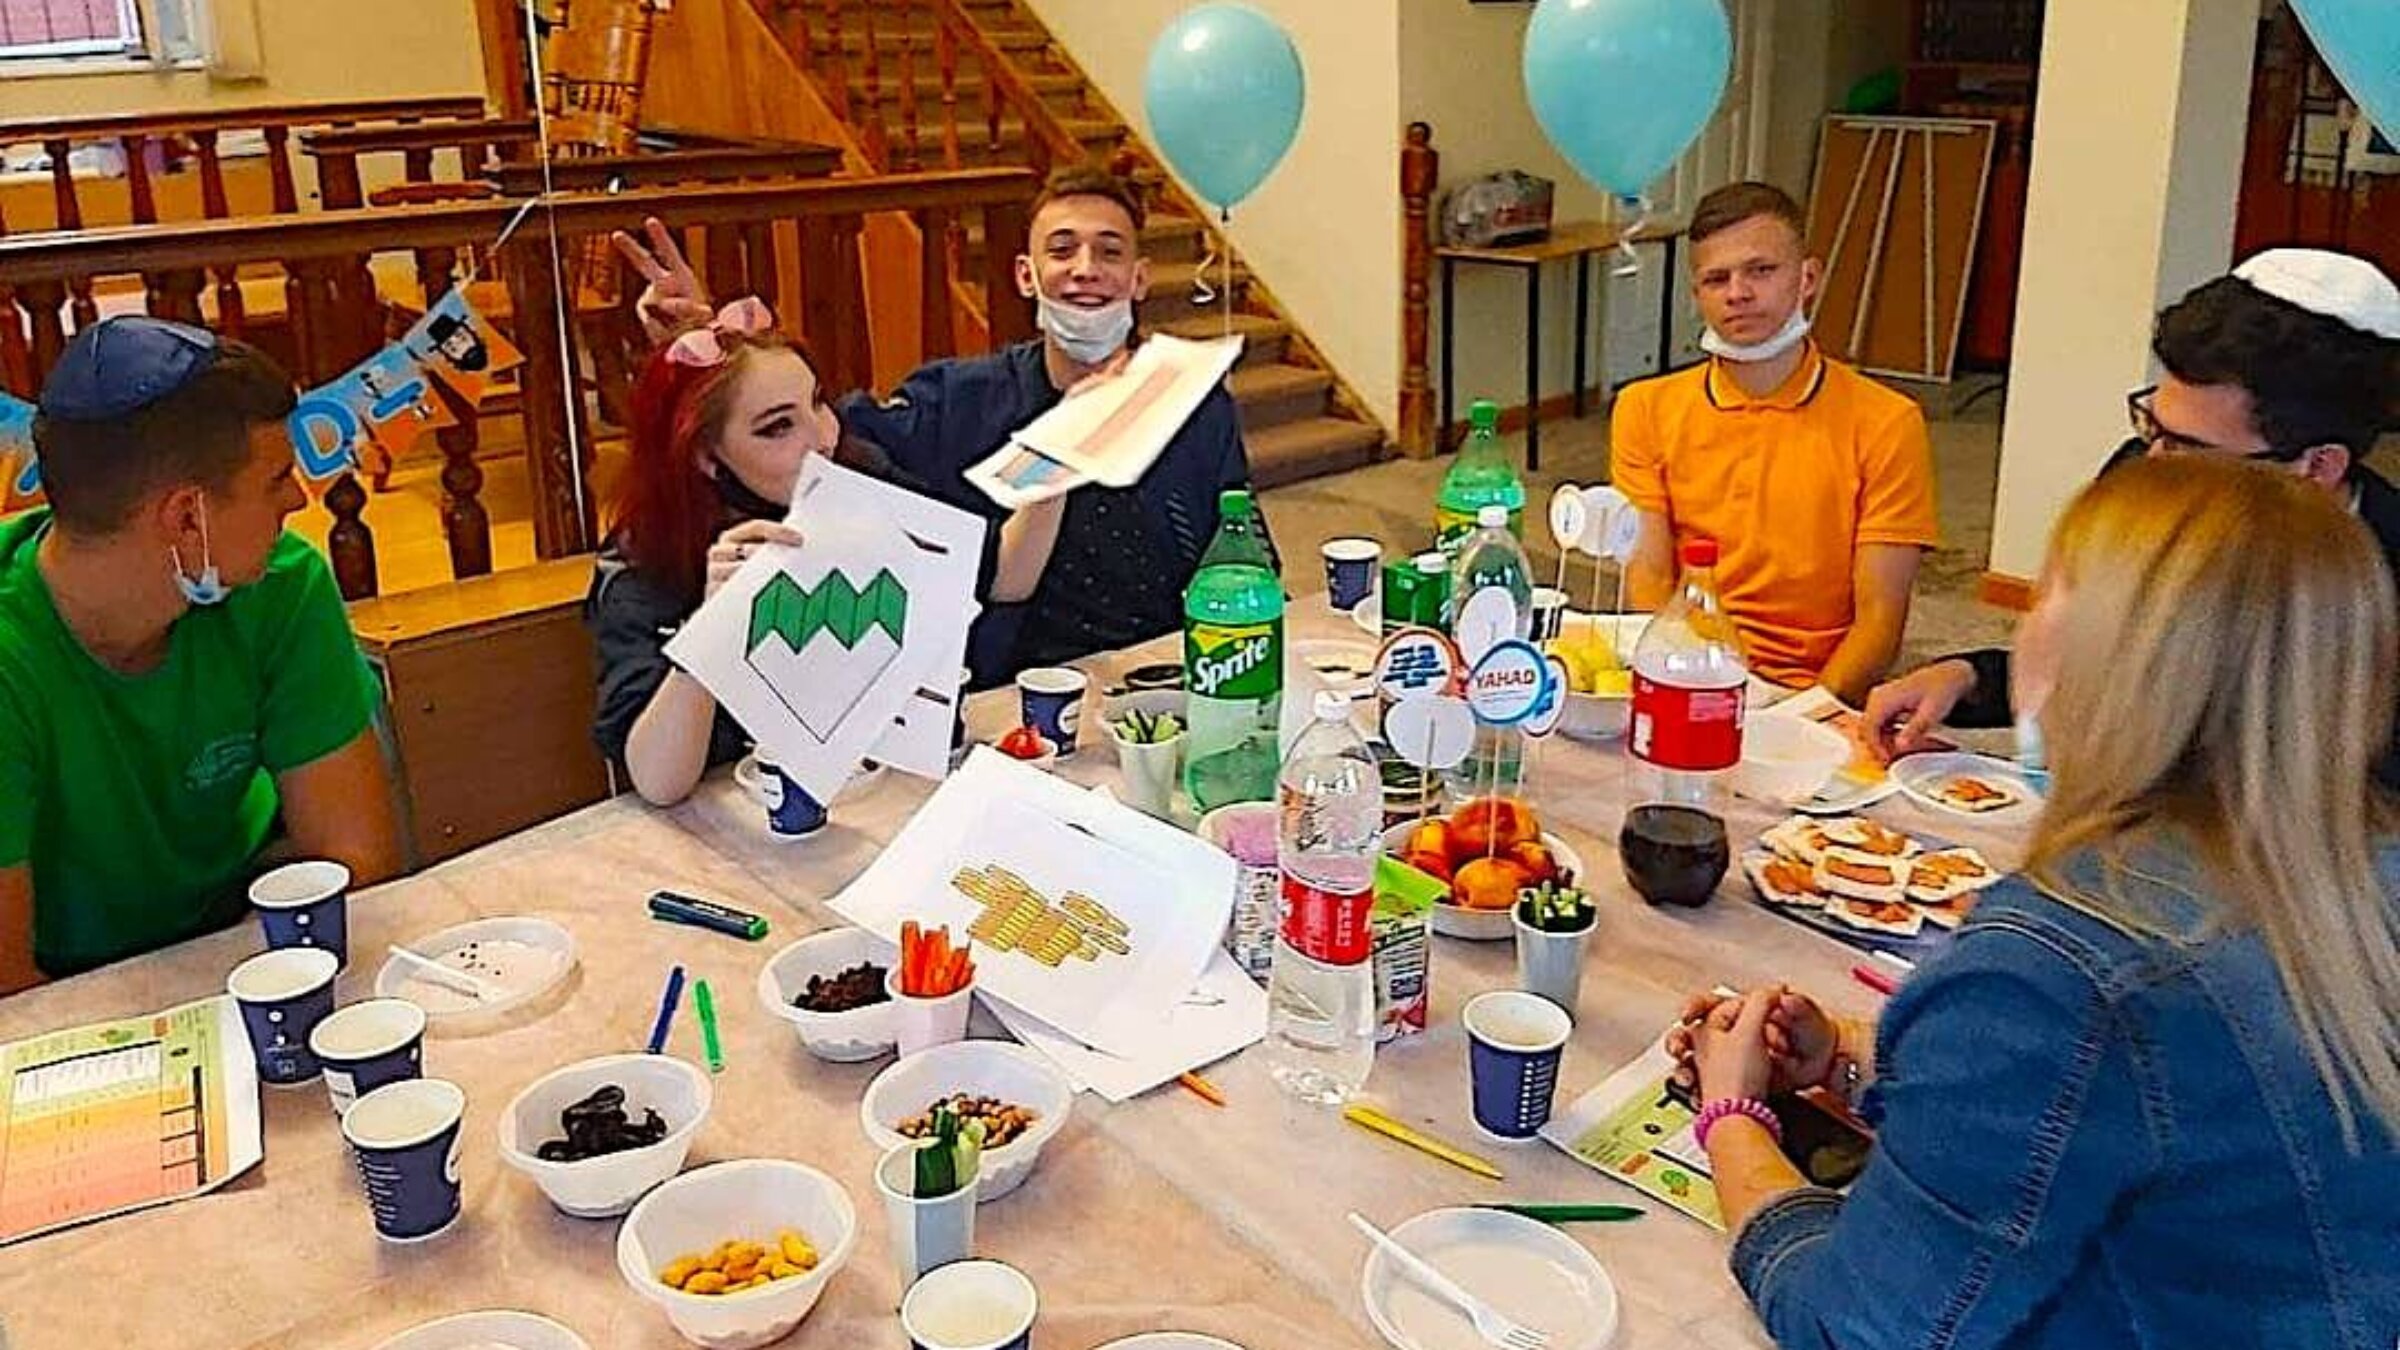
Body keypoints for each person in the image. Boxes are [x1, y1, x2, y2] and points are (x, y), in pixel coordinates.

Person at [1670, 456, 2399, 1347]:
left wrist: (1732, 1117)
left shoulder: (2059, 961)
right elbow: (2125, 1114)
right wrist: (1857, 1061)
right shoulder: (2355, 872)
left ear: (2100, 653)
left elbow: (1852, 1326)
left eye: (2045, 592)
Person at [613, 164, 1268, 689]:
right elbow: (811, 429)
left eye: (1110, 251)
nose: (1086, 269)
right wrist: (714, 344)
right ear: (1026, 276)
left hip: (1169, 674)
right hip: (1011, 699)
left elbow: (1243, 544)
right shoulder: (955, 400)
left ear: (1140, 278)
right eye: (1062, 250)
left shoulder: (1194, 403)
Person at [1864, 248, 2400, 774]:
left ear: (2318, 465)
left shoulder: (2382, 580)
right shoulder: (2138, 476)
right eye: (2153, 424)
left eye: (2189, 448)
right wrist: (1970, 677)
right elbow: (2102, 659)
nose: (2153, 463)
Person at [0, 318, 402, 991]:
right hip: (69, 995)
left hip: (249, 934)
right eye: (276, 477)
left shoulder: (283, 583)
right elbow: (9, 991)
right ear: (187, 517)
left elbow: (355, 859)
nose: (298, 499)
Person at [585, 298, 1067, 806]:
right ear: (707, 456)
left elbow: (1001, 576)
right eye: (777, 427)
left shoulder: (860, 476)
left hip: (881, 794)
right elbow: (659, 782)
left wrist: (1061, 467)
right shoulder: (647, 558)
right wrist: (712, 628)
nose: (823, 438)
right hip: (743, 823)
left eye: (818, 402)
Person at [1611, 181, 1938, 701]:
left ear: (1807, 277)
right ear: (1697, 295)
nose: (1738, 293)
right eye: (1716, 278)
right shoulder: (1644, 408)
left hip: (1815, 693)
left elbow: (1881, 619)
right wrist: (1688, 681)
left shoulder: (1887, 421)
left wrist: (1802, 718)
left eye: (1761, 270)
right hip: (1690, 668)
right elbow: (1648, 576)